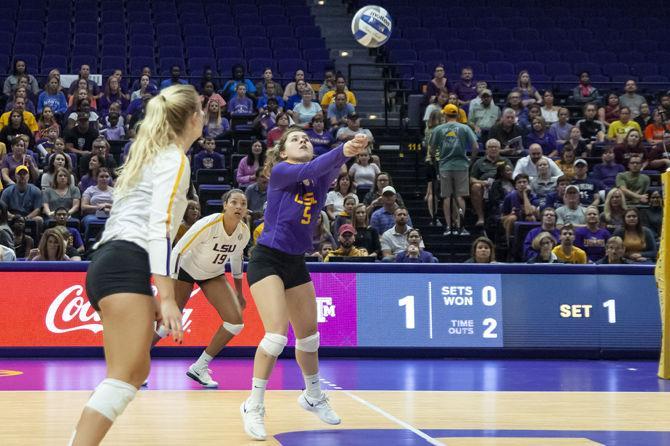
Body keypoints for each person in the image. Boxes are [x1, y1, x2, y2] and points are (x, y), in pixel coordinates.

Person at [68, 85, 203, 445]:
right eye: (202, 110)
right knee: (127, 375)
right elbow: (158, 227)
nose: (205, 115)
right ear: (192, 119)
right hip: (124, 263)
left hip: (115, 264)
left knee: (130, 372)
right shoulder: (175, 158)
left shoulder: (151, 155)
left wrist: (152, 290)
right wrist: (168, 295)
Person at [240, 129, 368, 440]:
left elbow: (321, 168)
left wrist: (347, 151)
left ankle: (312, 395)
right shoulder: (282, 171)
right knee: (275, 336)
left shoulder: (321, 177)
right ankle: (253, 406)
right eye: (295, 138)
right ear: (282, 152)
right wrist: (346, 148)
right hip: (267, 258)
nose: (303, 140)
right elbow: (313, 167)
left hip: (295, 261)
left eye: (306, 138)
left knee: (310, 338)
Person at [153, 190, 250, 388]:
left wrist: (239, 292)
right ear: (225, 205)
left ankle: (200, 366)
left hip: (212, 274)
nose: (239, 207)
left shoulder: (244, 232)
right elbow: (178, 250)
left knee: (235, 323)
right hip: (185, 270)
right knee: (168, 325)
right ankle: (136, 362)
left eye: (243, 203)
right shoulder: (208, 224)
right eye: (234, 202)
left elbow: (237, 259)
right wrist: (170, 288)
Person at [429, 103, 479, 235]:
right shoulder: (465, 128)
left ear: (445, 114)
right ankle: (460, 226)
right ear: (457, 114)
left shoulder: (438, 129)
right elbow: (475, 147)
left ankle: (449, 227)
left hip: (445, 166)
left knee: (446, 197)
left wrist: (435, 161)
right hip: (462, 165)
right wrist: (471, 160)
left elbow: (432, 150)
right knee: (460, 196)